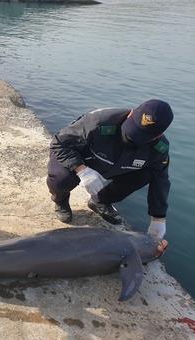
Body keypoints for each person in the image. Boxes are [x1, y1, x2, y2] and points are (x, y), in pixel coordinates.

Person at [47, 99, 173, 240]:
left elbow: (161, 180)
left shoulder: (159, 149)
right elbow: (59, 143)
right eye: (134, 128)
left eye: (141, 136)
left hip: (118, 168)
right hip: (83, 160)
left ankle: (100, 201)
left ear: (158, 135)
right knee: (60, 178)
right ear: (130, 113)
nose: (132, 137)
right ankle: (61, 200)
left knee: (149, 174)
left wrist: (158, 218)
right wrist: (82, 170)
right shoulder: (99, 120)